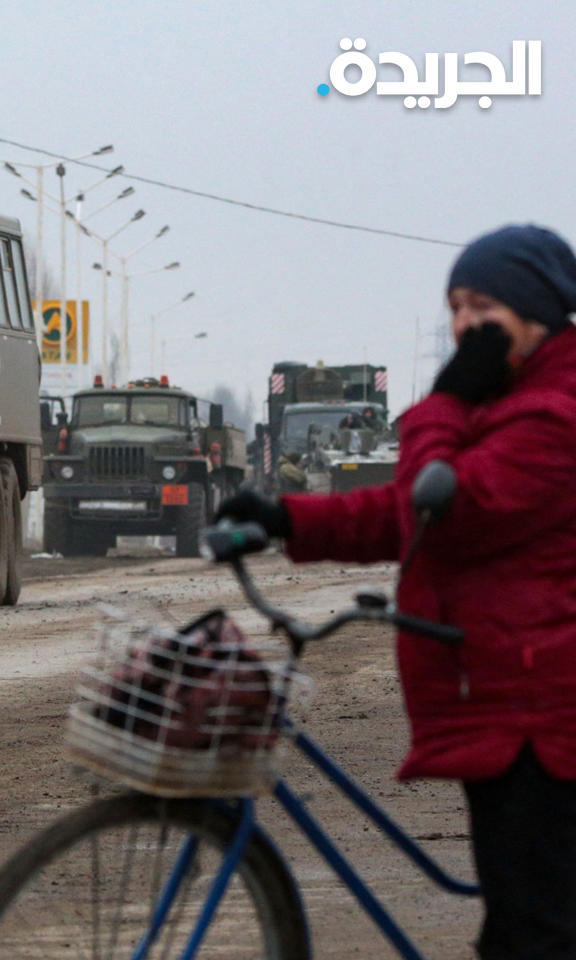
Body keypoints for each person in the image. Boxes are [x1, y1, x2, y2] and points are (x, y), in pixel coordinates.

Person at [217, 224, 576, 959]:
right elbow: (405, 511)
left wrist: (441, 402)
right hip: (511, 704)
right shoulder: (509, 399)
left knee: (535, 936)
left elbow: (445, 513)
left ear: (538, 310)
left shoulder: (555, 413)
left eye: (486, 306)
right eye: (458, 307)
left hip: (544, 720)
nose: (467, 324)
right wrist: (288, 518)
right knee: (522, 927)